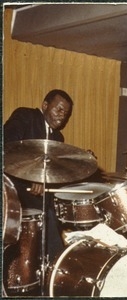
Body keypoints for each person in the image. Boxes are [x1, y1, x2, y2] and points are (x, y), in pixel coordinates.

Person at [4, 89, 74, 263]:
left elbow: (52, 172)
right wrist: (31, 176)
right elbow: (8, 146)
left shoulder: (58, 137)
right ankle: (57, 264)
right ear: (44, 105)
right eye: (58, 109)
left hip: (41, 198)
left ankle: (52, 264)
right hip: (14, 192)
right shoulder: (26, 116)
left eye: (65, 113)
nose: (62, 115)